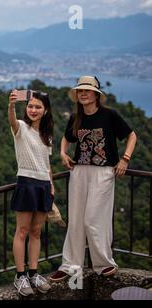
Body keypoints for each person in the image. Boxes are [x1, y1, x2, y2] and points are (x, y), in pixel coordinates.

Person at [50, 76, 137, 283]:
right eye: (80, 91)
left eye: (87, 91)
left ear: (96, 94)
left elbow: (132, 135)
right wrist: (63, 153)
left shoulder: (109, 115)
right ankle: (71, 266)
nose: (83, 94)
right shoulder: (76, 118)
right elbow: (66, 138)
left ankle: (104, 263)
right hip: (79, 171)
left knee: (94, 219)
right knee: (77, 219)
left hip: (103, 172)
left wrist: (125, 159)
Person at [8, 89, 54, 296]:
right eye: (31, 106)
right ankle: (20, 276)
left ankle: (34, 273)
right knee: (22, 231)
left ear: (45, 111)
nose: (33, 110)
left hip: (43, 185)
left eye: (38, 107)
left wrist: (51, 185)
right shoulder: (21, 128)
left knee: (36, 232)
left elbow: (47, 164)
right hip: (26, 183)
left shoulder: (47, 135)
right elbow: (12, 122)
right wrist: (11, 106)